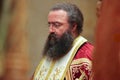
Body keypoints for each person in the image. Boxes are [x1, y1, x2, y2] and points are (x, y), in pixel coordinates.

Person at [32, 3, 93, 80]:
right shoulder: (53, 53)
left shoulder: (88, 56)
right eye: (49, 25)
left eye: (56, 25)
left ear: (73, 26)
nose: (50, 30)